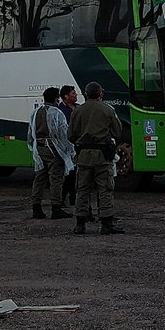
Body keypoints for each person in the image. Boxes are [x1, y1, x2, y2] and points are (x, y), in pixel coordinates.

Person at [67, 81, 124, 235]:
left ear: (85, 94)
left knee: (82, 189)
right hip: (102, 155)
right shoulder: (107, 110)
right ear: (100, 94)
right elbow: (118, 131)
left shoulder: (77, 111)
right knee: (105, 189)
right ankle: (106, 224)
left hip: (83, 156)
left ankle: (80, 224)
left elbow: (71, 135)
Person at [27, 87, 75, 222]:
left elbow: (30, 133)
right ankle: (56, 208)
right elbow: (62, 133)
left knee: (39, 178)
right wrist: (69, 149)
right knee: (56, 179)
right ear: (56, 99)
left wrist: (33, 147)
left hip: (39, 149)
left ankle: (36, 208)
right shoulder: (57, 113)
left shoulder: (35, 112)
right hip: (54, 149)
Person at [58, 84, 80, 206]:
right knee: (68, 173)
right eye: (73, 93)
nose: (76, 95)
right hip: (66, 146)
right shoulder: (60, 111)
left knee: (74, 173)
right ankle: (63, 197)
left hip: (76, 145)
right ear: (66, 96)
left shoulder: (78, 108)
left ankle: (71, 197)